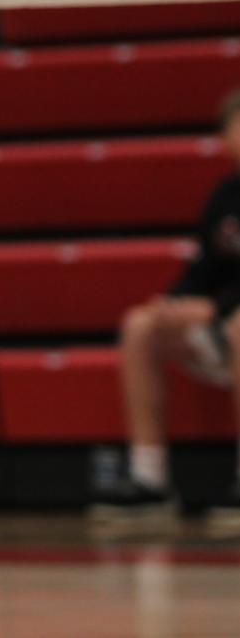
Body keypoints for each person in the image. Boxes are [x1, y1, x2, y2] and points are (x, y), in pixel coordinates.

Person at [91, 87, 240, 531]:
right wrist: (172, 304)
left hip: (231, 321)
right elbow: (203, 268)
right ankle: (149, 479)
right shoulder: (225, 196)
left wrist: (213, 309)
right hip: (220, 318)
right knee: (141, 325)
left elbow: (217, 298)